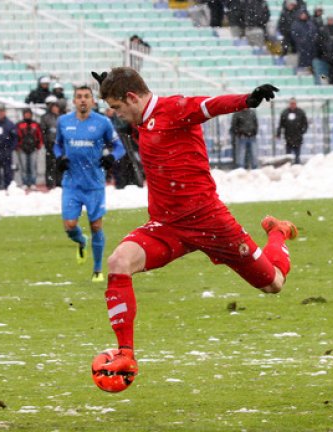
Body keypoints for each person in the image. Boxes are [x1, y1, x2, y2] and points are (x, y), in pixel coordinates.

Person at [90, 67, 298, 384]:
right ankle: (125, 354)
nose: (117, 115)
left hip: (210, 223)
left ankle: (278, 232)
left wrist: (247, 100)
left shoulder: (173, 109)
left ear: (132, 97)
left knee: (274, 283)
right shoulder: (141, 122)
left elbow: (209, 105)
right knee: (119, 262)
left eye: (118, 108)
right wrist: (110, 83)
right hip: (166, 227)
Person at [54, 85, 126, 283]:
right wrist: (60, 157)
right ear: (74, 101)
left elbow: (119, 147)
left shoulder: (103, 123)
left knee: (96, 225)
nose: (83, 100)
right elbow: (57, 144)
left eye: (87, 96)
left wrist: (111, 157)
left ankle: (97, 269)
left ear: (93, 101)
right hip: (71, 184)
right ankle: (81, 240)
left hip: (94, 183)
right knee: (69, 226)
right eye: (79, 97)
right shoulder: (64, 122)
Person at [15, 108, 45, 190]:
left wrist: (39, 145)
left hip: (33, 148)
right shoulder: (19, 124)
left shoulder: (35, 124)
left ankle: (32, 183)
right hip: (22, 149)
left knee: (33, 166)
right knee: (24, 167)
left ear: (31, 114)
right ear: (23, 114)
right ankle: (25, 182)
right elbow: (16, 136)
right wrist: (17, 146)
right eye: (26, 113)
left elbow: (40, 135)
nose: (27, 115)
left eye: (29, 113)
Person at [276, 98, 308, 164]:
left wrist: (302, 131)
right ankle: (288, 168)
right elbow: (281, 124)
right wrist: (278, 133)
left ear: (296, 104)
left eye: (294, 103)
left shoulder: (300, 112)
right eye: (291, 103)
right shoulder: (285, 113)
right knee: (288, 156)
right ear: (289, 104)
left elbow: (305, 123)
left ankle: (297, 167)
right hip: (288, 138)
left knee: (297, 156)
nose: (292, 105)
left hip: (298, 138)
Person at [40, 95, 63, 189]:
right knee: (50, 165)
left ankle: (59, 182)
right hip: (50, 144)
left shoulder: (62, 118)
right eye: (54, 107)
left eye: (57, 107)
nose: (55, 109)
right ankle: (49, 183)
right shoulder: (45, 117)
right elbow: (43, 131)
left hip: (60, 145)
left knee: (59, 164)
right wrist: (47, 143)